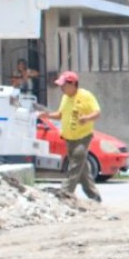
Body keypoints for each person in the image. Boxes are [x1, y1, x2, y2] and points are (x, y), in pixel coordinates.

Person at [40, 71, 102, 202]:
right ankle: (94, 196)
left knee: (75, 164)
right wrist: (47, 115)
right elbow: (60, 115)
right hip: (69, 138)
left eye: (63, 85)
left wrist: (86, 118)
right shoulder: (65, 98)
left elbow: (97, 113)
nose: (61, 88)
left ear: (73, 84)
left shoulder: (85, 96)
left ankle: (66, 192)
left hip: (82, 137)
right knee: (82, 169)